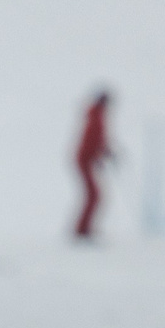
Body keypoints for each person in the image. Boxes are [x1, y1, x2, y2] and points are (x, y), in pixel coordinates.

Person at [73, 90, 113, 240]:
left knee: (94, 195)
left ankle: (83, 228)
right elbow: (92, 141)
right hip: (84, 159)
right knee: (94, 195)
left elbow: (98, 141)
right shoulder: (96, 117)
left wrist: (104, 153)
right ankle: (82, 230)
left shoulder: (97, 115)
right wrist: (99, 155)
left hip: (86, 159)